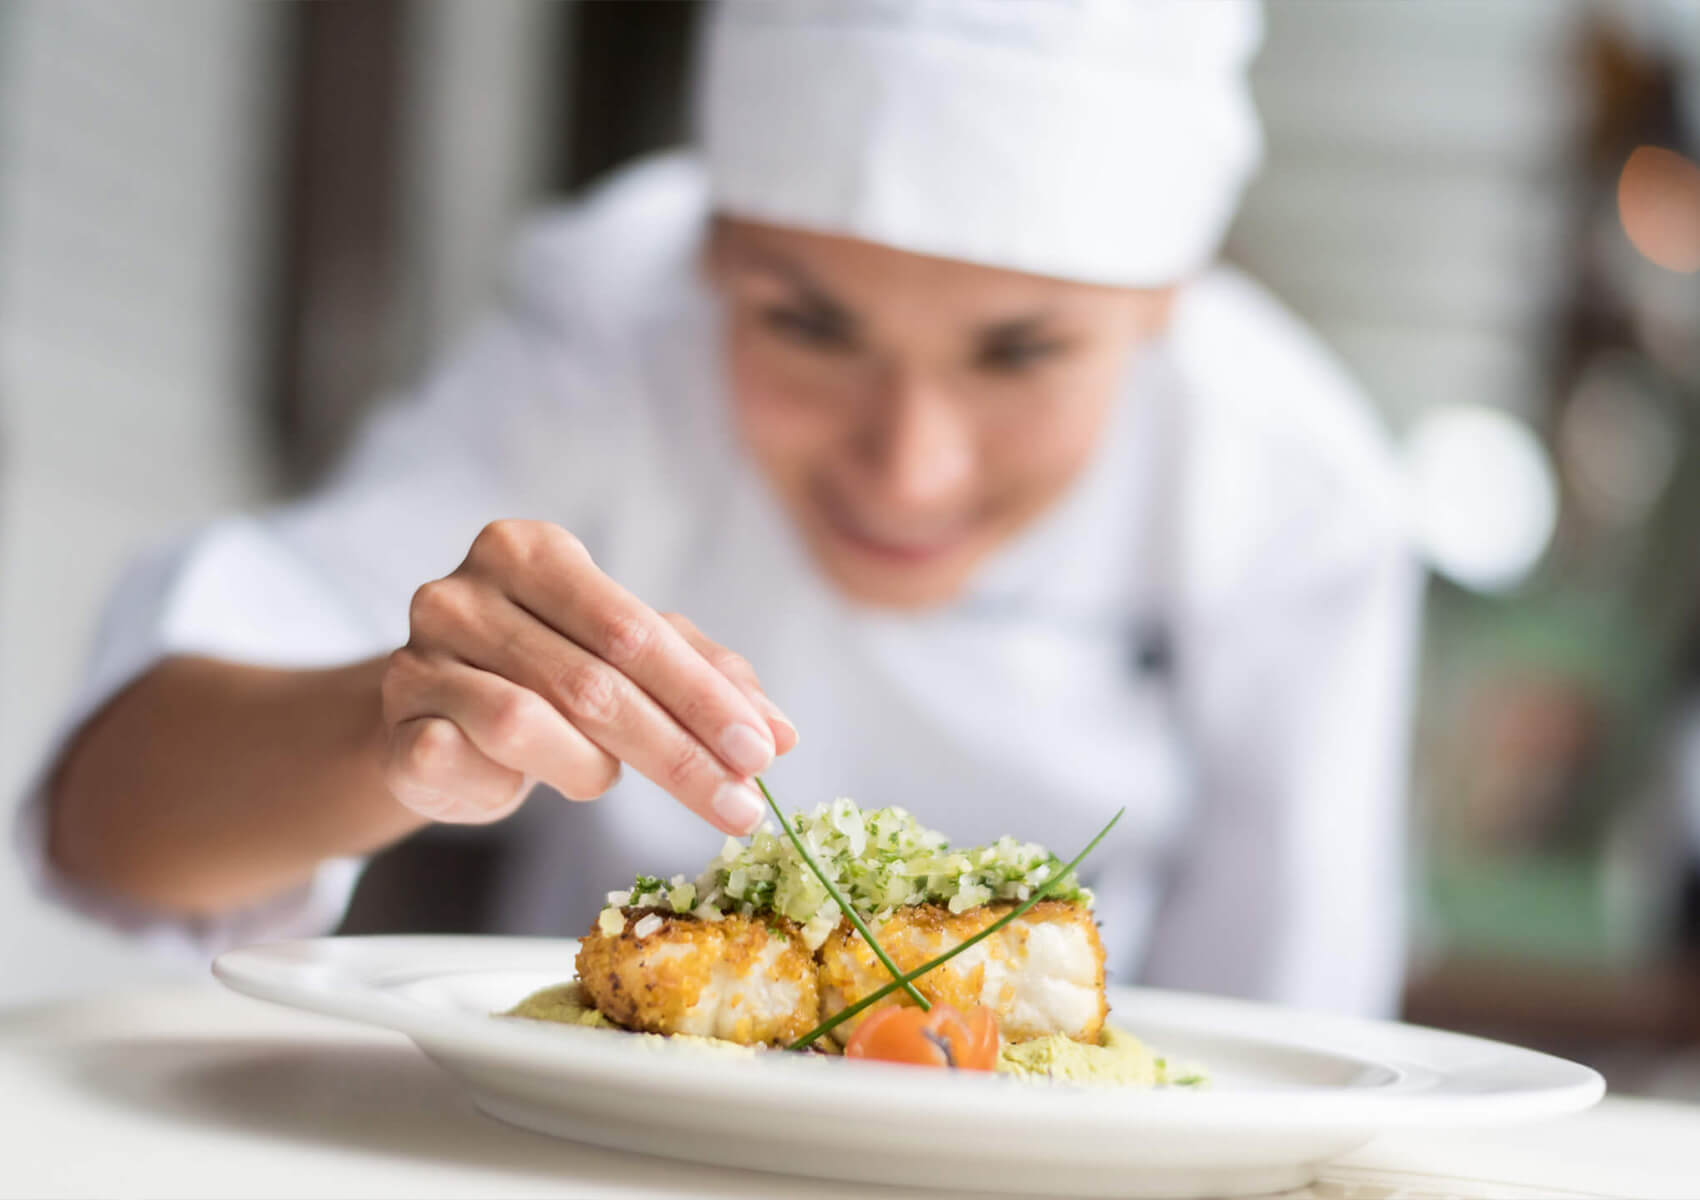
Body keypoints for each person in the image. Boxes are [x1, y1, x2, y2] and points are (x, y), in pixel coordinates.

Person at [14, 0, 1421, 1016]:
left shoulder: (1291, 486)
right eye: (806, 325)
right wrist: (397, 725)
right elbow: (105, 821)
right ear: (711, 258)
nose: (909, 467)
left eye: (1020, 351)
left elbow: (1288, 1030)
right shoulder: (614, 339)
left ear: (1163, 305)